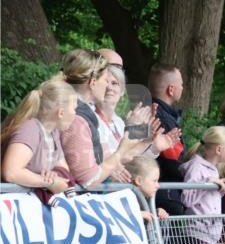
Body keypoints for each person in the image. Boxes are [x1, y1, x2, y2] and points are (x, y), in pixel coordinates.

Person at [61, 49, 145, 187]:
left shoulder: (85, 112)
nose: (108, 86)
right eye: (106, 80)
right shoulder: (76, 117)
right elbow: (88, 180)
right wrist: (122, 150)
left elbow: (103, 158)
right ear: (93, 82)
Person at [0, 79, 77, 196]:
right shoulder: (30, 129)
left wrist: (53, 175)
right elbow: (11, 172)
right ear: (61, 113)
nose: (75, 114)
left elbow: (63, 169)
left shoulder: (53, 132)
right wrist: (48, 183)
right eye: (74, 108)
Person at [149, 63, 188, 215]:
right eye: (181, 85)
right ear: (171, 89)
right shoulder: (160, 117)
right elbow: (173, 160)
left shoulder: (158, 113)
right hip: (165, 196)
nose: (183, 88)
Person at [124, 157, 169, 223]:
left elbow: (146, 214)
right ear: (139, 181)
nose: (158, 185)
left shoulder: (144, 198)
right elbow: (117, 214)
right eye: (154, 181)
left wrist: (155, 212)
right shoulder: (122, 195)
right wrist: (140, 214)